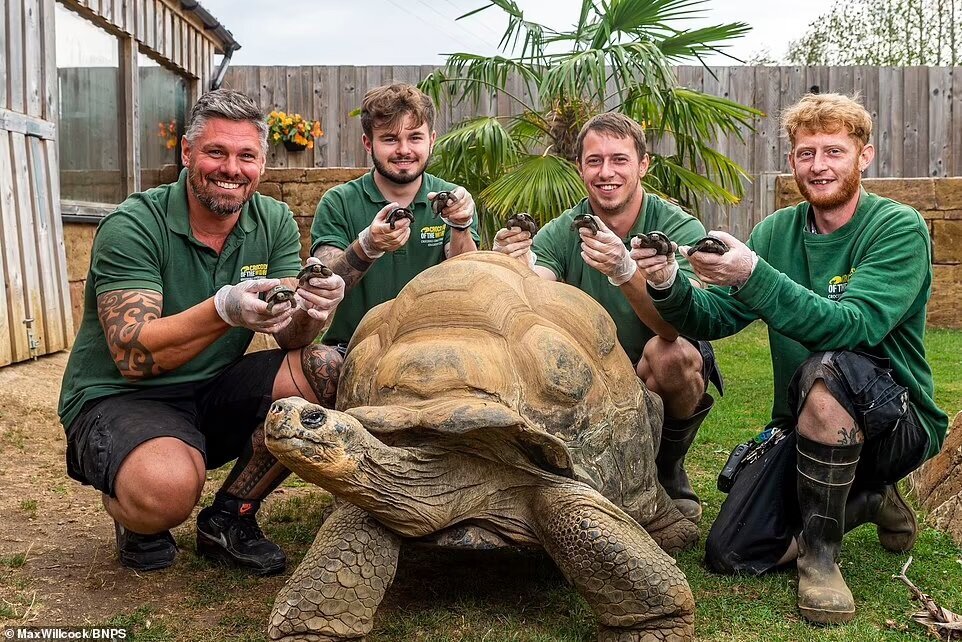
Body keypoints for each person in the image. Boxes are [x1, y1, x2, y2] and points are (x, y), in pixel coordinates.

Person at [635, 93, 948, 624]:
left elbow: (854, 325)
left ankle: (822, 559)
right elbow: (716, 318)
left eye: (834, 151)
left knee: (829, 368)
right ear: (792, 161)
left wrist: (754, 275)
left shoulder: (897, 228)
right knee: (732, 553)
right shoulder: (777, 232)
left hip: (898, 422)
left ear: (863, 157)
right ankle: (868, 501)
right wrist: (666, 281)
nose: (819, 166)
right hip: (806, 426)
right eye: (806, 153)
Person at [58, 89, 346, 575]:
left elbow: (291, 340)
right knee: (167, 491)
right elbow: (132, 356)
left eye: (246, 155)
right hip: (122, 396)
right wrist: (224, 309)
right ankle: (136, 510)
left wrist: (316, 311)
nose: (231, 168)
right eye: (216, 151)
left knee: (326, 368)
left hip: (210, 387)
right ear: (188, 153)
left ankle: (231, 516)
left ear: (262, 164)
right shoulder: (133, 224)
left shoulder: (271, 220)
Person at [492, 112, 723, 524]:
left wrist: (626, 272)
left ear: (643, 165)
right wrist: (514, 265)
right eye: (594, 161)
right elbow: (536, 288)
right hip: (587, 373)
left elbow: (673, 327)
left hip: (650, 363)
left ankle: (666, 469)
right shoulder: (563, 230)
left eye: (619, 159)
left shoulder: (676, 226)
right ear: (580, 167)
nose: (606, 172)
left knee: (673, 355)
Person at [311, 83, 479, 350]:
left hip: (436, 344)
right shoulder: (339, 201)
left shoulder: (453, 199)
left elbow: (467, 280)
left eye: (415, 137)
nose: (404, 150)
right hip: (352, 346)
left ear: (431, 140)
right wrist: (367, 246)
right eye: (390, 139)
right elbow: (324, 281)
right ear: (368, 143)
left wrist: (460, 226)